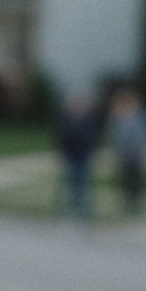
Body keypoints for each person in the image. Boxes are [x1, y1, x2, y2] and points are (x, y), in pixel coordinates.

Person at [55, 90, 102, 218]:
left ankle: (85, 208)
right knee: (71, 183)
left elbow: (93, 140)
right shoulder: (68, 122)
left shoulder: (89, 123)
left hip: (84, 156)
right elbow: (63, 140)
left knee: (84, 183)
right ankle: (71, 207)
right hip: (72, 156)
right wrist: (62, 154)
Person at [110, 85, 146, 216]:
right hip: (124, 154)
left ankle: (139, 203)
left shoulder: (141, 116)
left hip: (137, 153)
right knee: (126, 179)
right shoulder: (119, 116)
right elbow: (115, 136)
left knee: (139, 179)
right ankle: (128, 203)